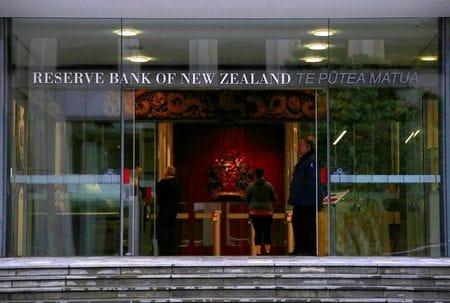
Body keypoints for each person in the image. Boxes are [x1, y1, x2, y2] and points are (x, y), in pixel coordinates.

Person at [288, 136, 324, 256]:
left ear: (308, 147)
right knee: (298, 223)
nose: (298, 148)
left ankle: (308, 249)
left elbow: (312, 181)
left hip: (307, 201)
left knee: (306, 224)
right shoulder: (305, 160)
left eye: (300, 145)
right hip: (302, 200)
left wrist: (302, 194)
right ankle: (301, 248)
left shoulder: (311, 160)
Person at [245, 168, 277, 256]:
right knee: (267, 231)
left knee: (258, 231)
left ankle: (258, 252)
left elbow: (246, 199)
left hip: (255, 212)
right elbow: (274, 198)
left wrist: (252, 203)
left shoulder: (251, 186)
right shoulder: (269, 185)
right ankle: (267, 251)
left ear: (255, 175)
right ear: (263, 174)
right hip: (267, 212)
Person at [156, 165, 181, 255]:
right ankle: (173, 249)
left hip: (163, 210)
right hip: (173, 211)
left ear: (166, 173)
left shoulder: (162, 184)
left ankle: (164, 250)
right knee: (172, 230)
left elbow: (157, 190)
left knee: (163, 231)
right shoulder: (177, 184)